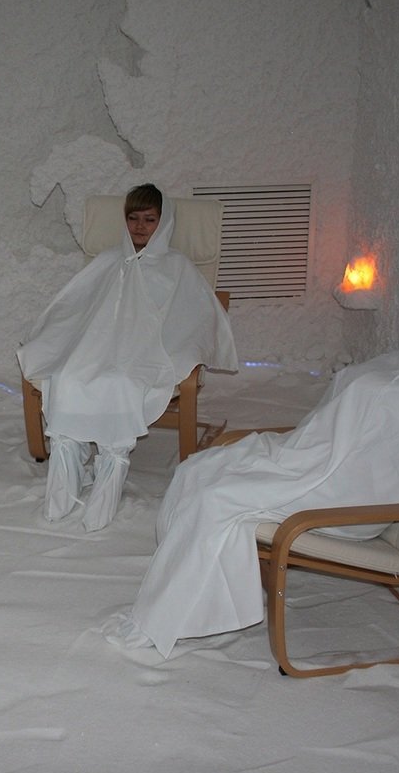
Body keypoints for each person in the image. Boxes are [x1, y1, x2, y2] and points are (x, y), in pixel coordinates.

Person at [106, 280, 399, 658]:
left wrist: (323, 469)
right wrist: (304, 453)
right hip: (314, 461)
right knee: (198, 469)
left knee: (218, 499)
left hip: (351, 498)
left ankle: (178, 615)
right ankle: (182, 578)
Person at [17, 184, 238, 532]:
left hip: (146, 354)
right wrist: (56, 339)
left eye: (149, 219)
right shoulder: (109, 260)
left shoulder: (177, 266)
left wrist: (180, 351)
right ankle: (65, 477)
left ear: (164, 222)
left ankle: (109, 474)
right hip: (96, 348)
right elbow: (76, 306)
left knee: (120, 384)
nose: (140, 226)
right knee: (69, 379)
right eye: (133, 218)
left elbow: (194, 316)